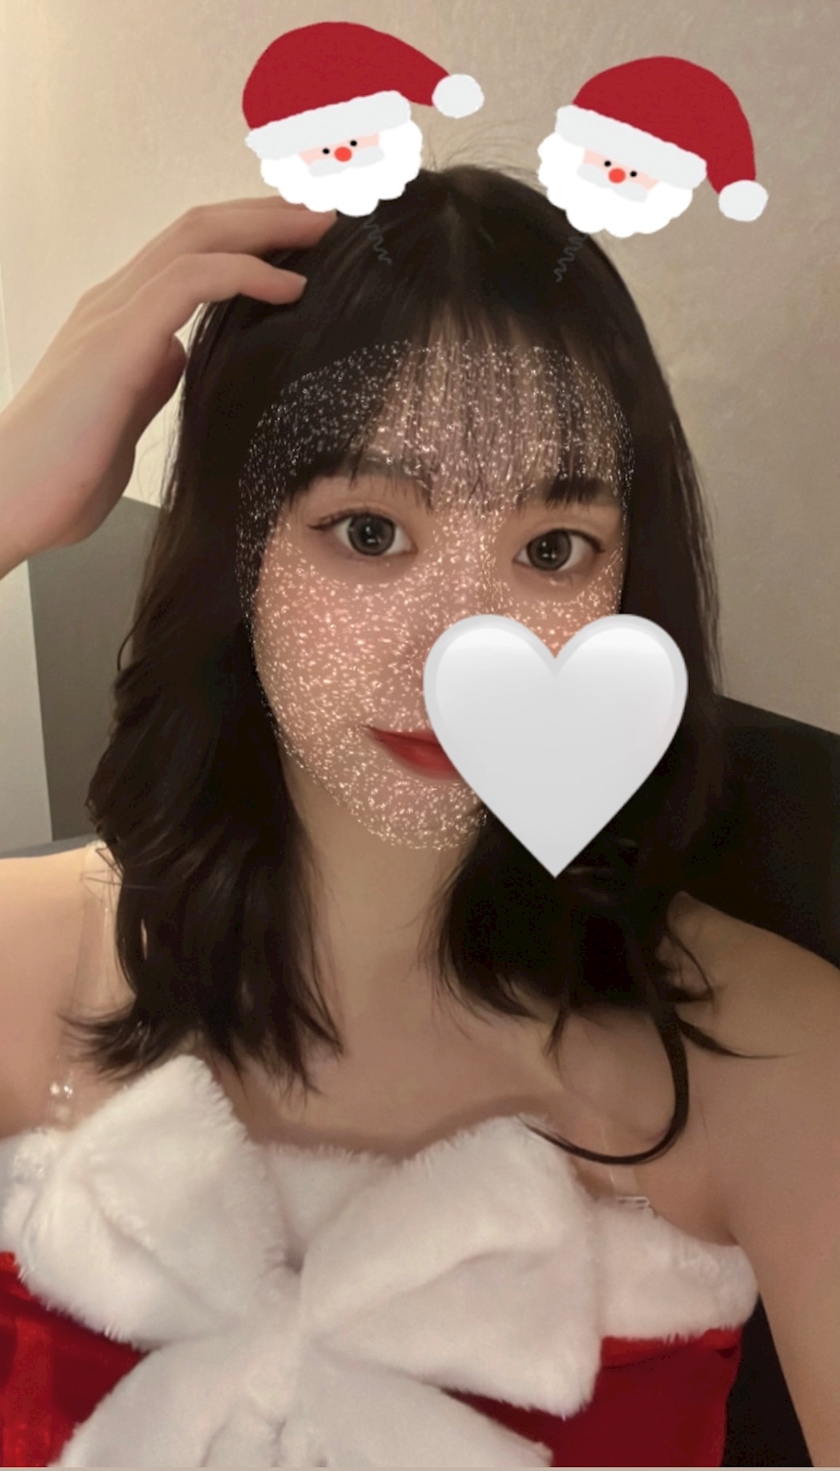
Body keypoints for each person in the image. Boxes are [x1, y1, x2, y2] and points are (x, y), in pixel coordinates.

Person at [0, 173, 836, 1468]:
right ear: (237, 551)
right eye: (370, 531)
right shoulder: (22, 966)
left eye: (551, 550)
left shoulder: (777, 1062)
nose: (464, 649)